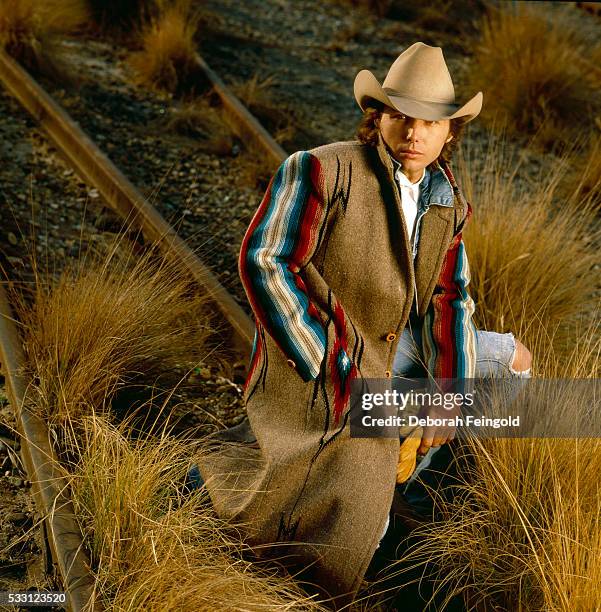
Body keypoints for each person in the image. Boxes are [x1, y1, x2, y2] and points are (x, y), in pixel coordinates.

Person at [195, 42, 532, 610]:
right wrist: (332, 361)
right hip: (324, 354)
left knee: (513, 362)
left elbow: (450, 296)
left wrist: (450, 396)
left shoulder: (445, 200)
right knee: (357, 489)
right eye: (401, 117)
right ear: (378, 117)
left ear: (450, 132)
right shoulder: (323, 168)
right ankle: (372, 508)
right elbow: (265, 258)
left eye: (430, 123)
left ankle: (423, 490)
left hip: (393, 346)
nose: (414, 134)